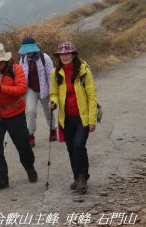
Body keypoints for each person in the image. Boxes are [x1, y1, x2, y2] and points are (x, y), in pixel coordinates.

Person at [0, 43, 38, 191]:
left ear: (4, 60)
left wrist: (1, 88)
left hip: (15, 113)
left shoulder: (15, 69)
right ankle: (2, 178)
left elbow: (21, 89)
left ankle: (29, 167)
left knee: (23, 145)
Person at [48, 41, 98, 195]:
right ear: (58, 56)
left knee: (78, 146)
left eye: (68, 53)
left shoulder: (83, 71)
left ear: (74, 54)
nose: (65, 57)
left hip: (82, 117)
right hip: (66, 118)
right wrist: (53, 102)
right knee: (71, 148)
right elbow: (54, 93)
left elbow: (91, 96)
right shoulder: (56, 73)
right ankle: (76, 177)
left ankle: (83, 177)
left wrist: (92, 120)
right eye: (62, 54)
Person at [18, 36, 56, 147]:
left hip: (44, 89)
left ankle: (53, 130)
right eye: (26, 50)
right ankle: (30, 135)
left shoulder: (45, 58)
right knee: (30, 111)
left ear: (35, 48)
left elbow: (50, 76)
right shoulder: (23, 59)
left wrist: (52, 93)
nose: (28, 52)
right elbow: (20, 76)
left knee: (48, 110)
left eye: (30, 49)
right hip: (31, 89)